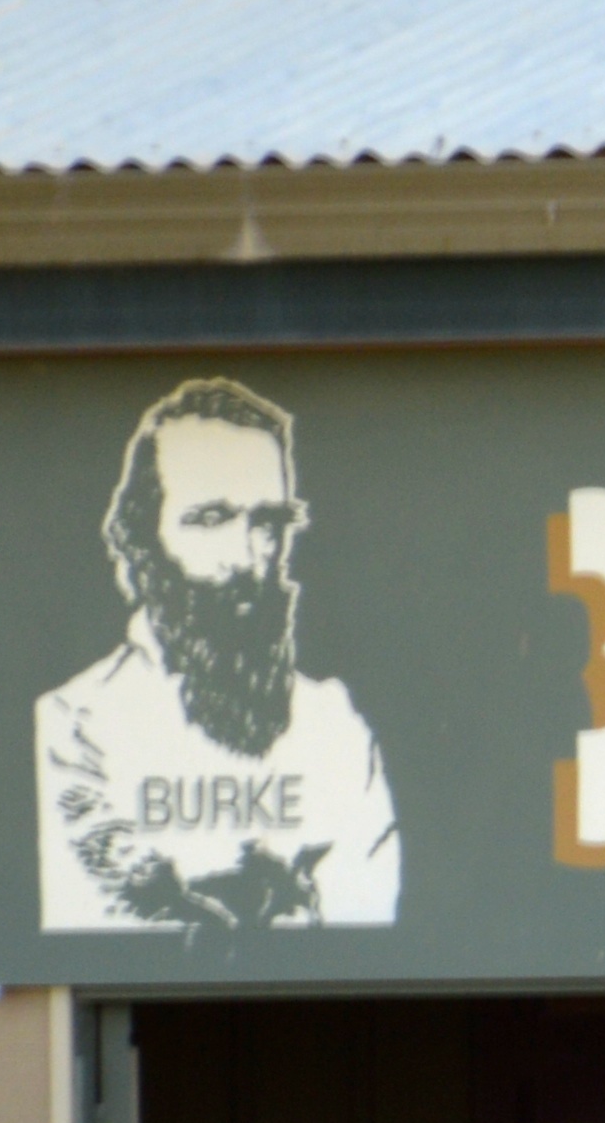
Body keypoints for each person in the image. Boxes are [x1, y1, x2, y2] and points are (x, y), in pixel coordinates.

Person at [34, 377, 403, 929]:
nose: (249, 556)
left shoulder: (333, 723)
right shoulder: (76, 726)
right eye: (210, 519)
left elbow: (370, 920)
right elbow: (88, 922)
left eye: (269, 523)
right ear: (142, 541)